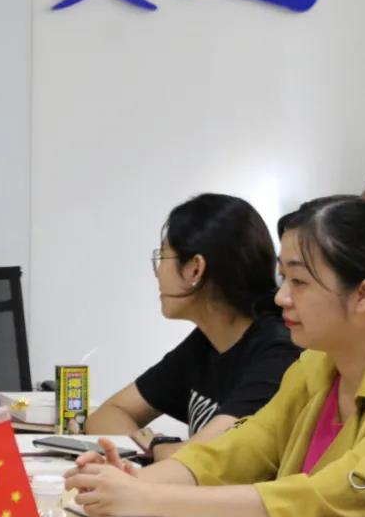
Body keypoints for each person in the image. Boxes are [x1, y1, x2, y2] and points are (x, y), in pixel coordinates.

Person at [67, 195, 365, 517]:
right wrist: (130, 482)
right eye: (283, 277)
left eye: (299, 282)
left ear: (364, 295)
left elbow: (317, 496)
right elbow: (236, 451)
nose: (281, 297)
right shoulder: (314, 367)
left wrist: (147, 495)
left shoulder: (285, 351)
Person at [86, 194, 300, 460]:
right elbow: (107, 415)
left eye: (162, 256)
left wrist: (156, 446)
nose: (157, 273)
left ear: (195, 269)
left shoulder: (279, 351)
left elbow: (206, 457)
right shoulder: (207, 342)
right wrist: (158, 448)